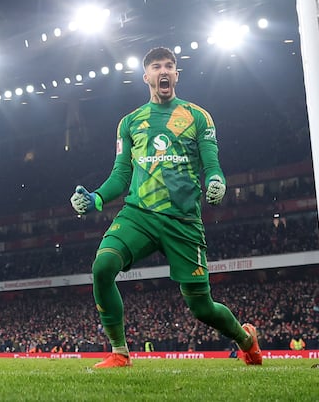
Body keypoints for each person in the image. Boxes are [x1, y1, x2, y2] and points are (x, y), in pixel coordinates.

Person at [70, 46, 262, 368]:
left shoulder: (197, 117)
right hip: (139, 215)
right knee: (102, 268)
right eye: (157, 66)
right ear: (146, 76)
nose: (164, 71)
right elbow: (121, 174)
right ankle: (120, 352)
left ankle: (245, 339)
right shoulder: (130, 123)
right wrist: (97, 198)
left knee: (202, 309)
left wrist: (217, 182)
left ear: (176, 74)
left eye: (169, 66)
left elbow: (212, 165)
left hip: (183, 220)